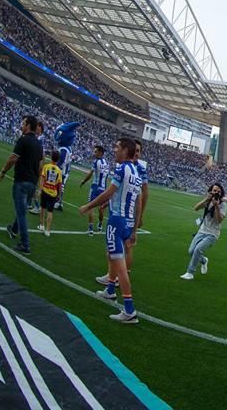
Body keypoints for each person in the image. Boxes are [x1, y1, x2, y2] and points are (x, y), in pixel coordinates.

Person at [80, 137, 143, 324]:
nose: (114, 150)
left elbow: (109, 191)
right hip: (128, 222)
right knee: (113, 256)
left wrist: (88, 206)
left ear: (125, 151)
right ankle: (109, 291)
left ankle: (129, 310)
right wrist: (134, 228)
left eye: (117, 147)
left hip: (116, 221)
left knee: (120, 265)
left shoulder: (122, 168)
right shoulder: (136, 173)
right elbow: (137, 203)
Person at [0, 115, 42, 254]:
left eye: (23, 124)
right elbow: (41, 165)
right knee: (22, 209)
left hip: (22, 180)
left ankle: (25, 244)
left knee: (21, 212)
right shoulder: (38, 144)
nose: (21, 126)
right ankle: (13, 229)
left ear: (28, 125)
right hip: (32, 182)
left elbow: (13, 158)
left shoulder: (23, 140)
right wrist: (37, 185)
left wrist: (3, 171)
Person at [180, 183, 227, 280]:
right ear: (211, 191)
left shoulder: (223, 204)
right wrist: (206, 199)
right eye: (214, 191)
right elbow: (196, 208)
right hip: (202, 230)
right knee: (191, 251)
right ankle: (204, 260)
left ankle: (190, 272)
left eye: (218, 191)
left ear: (221, 193)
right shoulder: (208, 201)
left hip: (212, 234)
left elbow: (219, 220)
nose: (216, 193)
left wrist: (217, 206)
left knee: (197, 249)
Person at [79, 145, 110, 236]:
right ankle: (100, 225)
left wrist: (83, 181)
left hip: (95, 187)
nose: (94, 153)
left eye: (96, 151)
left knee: (90, 207)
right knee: (101, 209)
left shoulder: (96, 162)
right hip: (103, 188)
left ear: (100, 152)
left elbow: (90, 174)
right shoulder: (106, 163)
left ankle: (91, 228)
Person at [36, 150, 63, 237]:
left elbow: (42, 179)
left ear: (51, 157)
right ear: (58, 159)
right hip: (53, 193)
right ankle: (48, 230)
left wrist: (40, 190)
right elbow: (59, 184)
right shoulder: (59, 170)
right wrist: (59, 195)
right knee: (50, 211)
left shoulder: (46, 166)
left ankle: (42, 225)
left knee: (43, 208)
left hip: (45, 190)